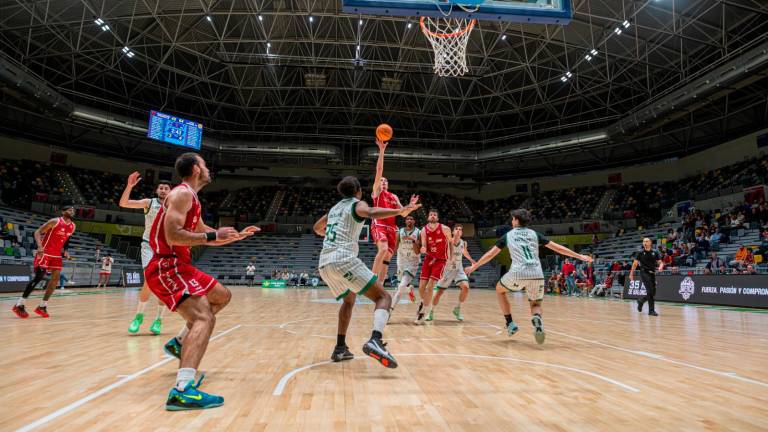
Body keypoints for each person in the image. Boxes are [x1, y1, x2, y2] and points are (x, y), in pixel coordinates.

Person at [145, 153, 259, 410]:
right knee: (204, 318)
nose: (208, 169)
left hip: (181, 265)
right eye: (205, 165)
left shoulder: (191, 198)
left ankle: (180, 343)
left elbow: (204, 233)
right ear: (196, 169)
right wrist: (212, 236)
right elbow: (173, 236)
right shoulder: (181, 194)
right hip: (167, 266)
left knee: (222, 296)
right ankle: (182, 390)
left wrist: (236, 236)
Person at [313, 176, 420, 367]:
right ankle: (375, 340)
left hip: (324, 263)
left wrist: (327, 234)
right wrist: (399, 210)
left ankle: (340, 347)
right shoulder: (357, 204)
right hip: (343, 259)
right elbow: (370, 212)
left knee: (349, 300)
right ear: (358, 191)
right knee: (383, 297)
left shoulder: (334, 209)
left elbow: (316, 228)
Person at [465, 209, 592, 344]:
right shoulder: (534, 234)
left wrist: (474, 266)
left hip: (518, 273)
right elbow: (558, 248)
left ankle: (510, 323)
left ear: (516, 220)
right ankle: (537, 318)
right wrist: (580, 256)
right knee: (535, 304)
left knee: (499, 290)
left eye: (513, 219)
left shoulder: (508, 235)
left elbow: (490, 254)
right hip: (537, 274)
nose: (512, 221)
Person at [119, 172, 172, 335]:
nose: (163, 190)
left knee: (163, 283)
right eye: (161, 188)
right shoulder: (149, 203)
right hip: (149, 245)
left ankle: (158, 320)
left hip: (167, 247)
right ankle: (139, 316)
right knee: (149, 280)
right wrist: (130, 186)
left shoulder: (175, 206)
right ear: (156, 190)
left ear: (171, 191)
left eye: (166, 188)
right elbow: (124, 203)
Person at [12, 203, 76, 319]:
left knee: (55, 279)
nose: (72, 212)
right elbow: (37, 232)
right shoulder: (55, 221)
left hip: (56, 255)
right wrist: (40, 247)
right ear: (63, 212)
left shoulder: (72, 226)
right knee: (39, 277)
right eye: (70, 210)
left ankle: (42, 306)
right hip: (45, 252)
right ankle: (19, 304)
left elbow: (67, 238)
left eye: (73, 210)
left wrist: (66, 250)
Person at [370, 139, 402, 291]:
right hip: (379, 223)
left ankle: (380, 286)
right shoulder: (377, 192)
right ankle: (371, 280)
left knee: (388, 257)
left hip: (392, 227)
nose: (383, 182)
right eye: (381, 180)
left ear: (388, 184)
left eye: (385, 181)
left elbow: (403, 212)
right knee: (382, 249)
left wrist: (410, 207)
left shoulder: (394, 196)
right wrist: (382, 150)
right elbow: (379, 170)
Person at [414, 209, 453, 325]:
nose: (432, 216)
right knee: (421, 287)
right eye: (431, 214)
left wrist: (451, 258)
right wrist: (423, 248)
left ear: (437, 218)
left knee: (430, 286)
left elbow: (450, 243)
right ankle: (423, 302)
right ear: (428, 217)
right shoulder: (424, 230)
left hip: (440, 260)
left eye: (435, 215)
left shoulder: (445, 229)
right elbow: (424, 245)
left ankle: (423, 312)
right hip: (429, 259)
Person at [431, 224, 475, 322]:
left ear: (462, 233)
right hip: (447, 269)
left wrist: (472, 261)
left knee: (466, 287)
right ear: (452, 232)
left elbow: (465, 252)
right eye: (456, 229)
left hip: (458, 269)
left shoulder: (463, 243)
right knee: (439, 293)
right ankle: (431, 311)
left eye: (460, 229)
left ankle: (457, 309)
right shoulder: (447, 241)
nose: (458, 230)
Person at [390, 215, 420, 312]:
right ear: (405, 221)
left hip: (412, 262)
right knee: (400, 287)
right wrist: (388, 256)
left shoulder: (418, 232)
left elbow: (417, 252)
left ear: (414, 221)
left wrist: (413, 240)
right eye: (407, 219)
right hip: (401, 261)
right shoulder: (400, 232)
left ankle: (390, 310)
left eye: (411, 219)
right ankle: (409, 289)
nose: (409, 220)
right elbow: (395, 247)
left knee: (401, 287)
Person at [629, 238, 664, 317]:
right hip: (644, 272)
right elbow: (635, 264)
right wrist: (631, 274)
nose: (645, 242)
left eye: (647, 241)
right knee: (650, 290)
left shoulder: (655, 252)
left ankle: (641, 301)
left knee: (653, 292)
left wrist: (661, 266)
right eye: (644, 241)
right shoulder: (640, 252)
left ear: (650, 243)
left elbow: (660, 262)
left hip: (652, 273)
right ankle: (651, 311)